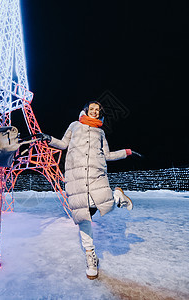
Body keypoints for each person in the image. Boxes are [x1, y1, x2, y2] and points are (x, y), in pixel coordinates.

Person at [39, 101, 140, 279]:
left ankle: (117, 196)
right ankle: (90, 257)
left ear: (100, 113)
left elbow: (107, 155)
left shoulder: (100, 132)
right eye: (92, 109)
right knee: (83, 217)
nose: (94, 111)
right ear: (86, 110)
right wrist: (48, 139)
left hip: (95, 173)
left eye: (97, 110)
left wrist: (127, 152)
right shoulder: (74, 125)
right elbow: (63, 144)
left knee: (105, 205)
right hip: (76, 176)